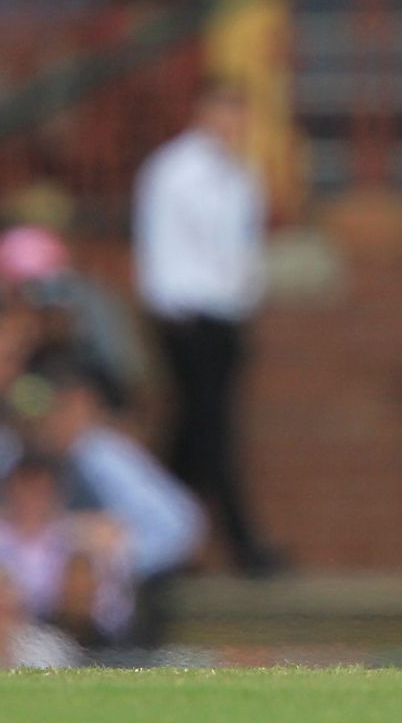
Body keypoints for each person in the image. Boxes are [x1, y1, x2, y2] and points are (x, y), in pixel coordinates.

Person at [133, 79, 281, 574]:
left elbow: (241, 252)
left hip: (226, 318)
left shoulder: (242, 176)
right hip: (187, 318)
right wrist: (170, 312)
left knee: (193, 437)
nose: (231, 124)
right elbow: (160, 250)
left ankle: (162, 536)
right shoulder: (172, 171)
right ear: (201, 112)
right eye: (223, 110)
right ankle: (243, 545)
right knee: (214, 433)